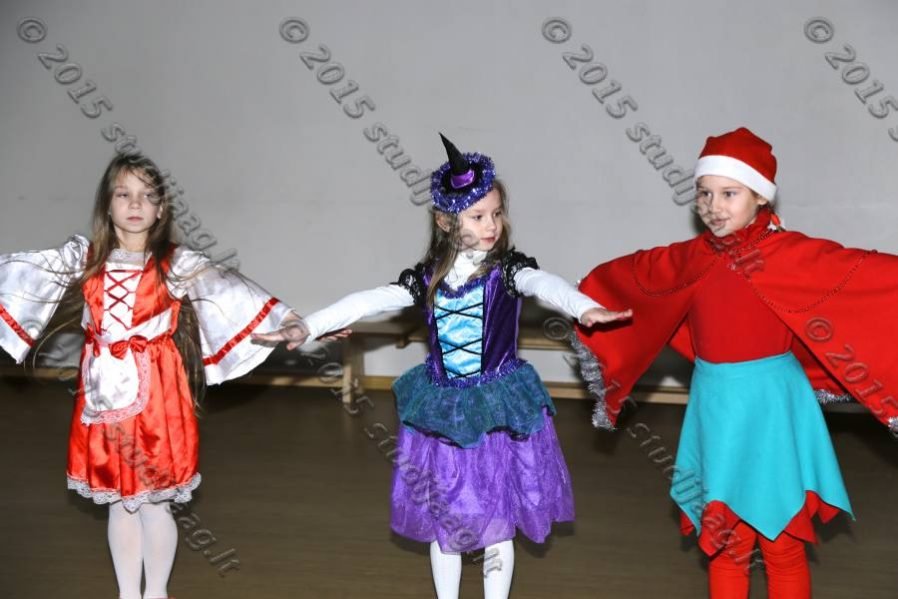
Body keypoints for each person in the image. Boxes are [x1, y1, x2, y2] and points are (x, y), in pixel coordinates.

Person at [256, 134, 630, 599]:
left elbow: (544, 284)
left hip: (496, 410)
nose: (491, 225)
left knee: (497, 521)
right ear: (446, 221)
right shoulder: (426, 278)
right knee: (444, 520)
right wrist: (308, 326)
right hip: (443, 414)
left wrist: (583, 307)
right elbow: (369, 300)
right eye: (478, 216)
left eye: (496, 214)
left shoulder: (509, 271)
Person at [572, 127, 898, 598]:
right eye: (704, 193)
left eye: (729, 193)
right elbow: (633, 277)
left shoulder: (790, 255)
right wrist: (579, 299)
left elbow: (868, 276)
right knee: (726, 545)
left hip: (774, 411)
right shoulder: (691, 259)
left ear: (761, 197)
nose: (714, 205)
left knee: (783, 543)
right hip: (718, 410)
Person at [0, 153, 311, 599]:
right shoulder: (83, 258)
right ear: (106, 205)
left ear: (162, 209)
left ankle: (157, 592)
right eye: (123, 194)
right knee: (121, 503)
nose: (135, 204)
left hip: (158, 399)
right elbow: (22, 276)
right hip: (102, 397)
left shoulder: (176, 264)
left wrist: (290, 320)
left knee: (155, 503)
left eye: (147, 196)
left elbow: (231, 291)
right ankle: (129, 593)